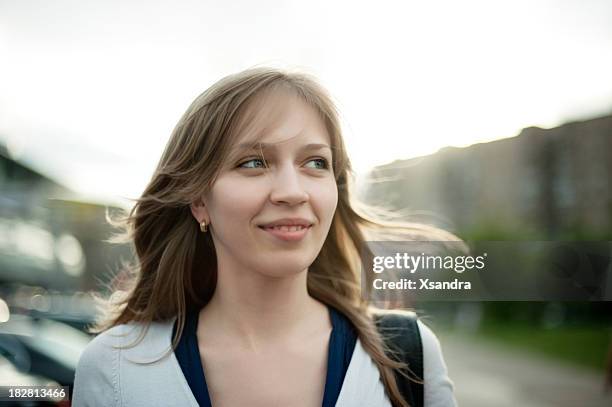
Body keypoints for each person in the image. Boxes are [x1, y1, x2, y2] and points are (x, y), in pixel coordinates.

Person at [72, 66, 458, 407]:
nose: (292, 191)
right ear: (199, 202)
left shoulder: (409, 353)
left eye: (315, 163)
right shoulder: (116, 368)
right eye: (253, 162)